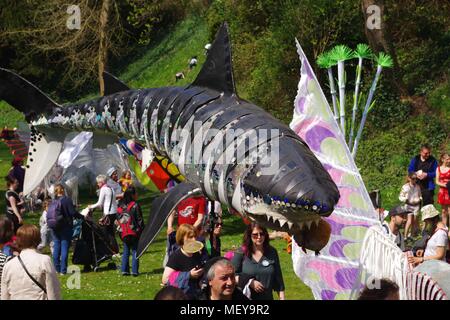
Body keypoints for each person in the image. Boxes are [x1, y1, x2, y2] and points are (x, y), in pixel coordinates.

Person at [1, 224, 61, 300]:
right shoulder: (44, 261)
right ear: (38, 239)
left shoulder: (9, 265)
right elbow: (53, 290)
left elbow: (4, 295)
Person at [231, 222, 285, 300]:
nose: (259, 237)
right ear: (249, 235)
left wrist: (282, 297)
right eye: (255, 235)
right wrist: (249, 282)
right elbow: (231, 276)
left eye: (261, 234)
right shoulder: (241, 252)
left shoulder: (272, 251)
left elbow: (278, 278)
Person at [162, 224, 207, 298]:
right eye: (190, 237)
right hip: (182, 295)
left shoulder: (197, 253)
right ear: (182, 238)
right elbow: (165, 279)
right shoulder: (176, 256)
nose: (194, 240)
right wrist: (189, 275)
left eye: (195, 236)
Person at [50, 184, 82, 275]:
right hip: (65, 226)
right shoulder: (66, 200)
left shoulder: (53, 201)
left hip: (54, 227)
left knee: (57, 246)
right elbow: (72, 212)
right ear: (63, 190)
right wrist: (81, 216)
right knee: (64, 247)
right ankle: (63, 270)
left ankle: (57, 268)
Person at [117, 186, 144, 276]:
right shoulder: (135, 205)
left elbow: (118, 219)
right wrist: (141, 231)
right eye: (136, 193)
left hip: (123, 232)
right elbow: (140, 220)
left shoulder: (120, 206)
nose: (137, 195)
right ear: (132, 195)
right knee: (135, 250)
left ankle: (124, 270)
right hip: (134, 232)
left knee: (126, 251)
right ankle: (135, 271)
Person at [88, 174, 118, 241]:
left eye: (98, 183)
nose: (98, 184)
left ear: (102, 182)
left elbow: (99, 203)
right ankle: (115, 249)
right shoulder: (111, 188)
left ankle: (111, 249)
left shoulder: (103, 189)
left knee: (105, 233)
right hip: (114, 212)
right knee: (111, 232)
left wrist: (91, 206)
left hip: (108, 213)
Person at [399, 172, 422, 239]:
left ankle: (411, 235)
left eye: (416, 179)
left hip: (416, 206)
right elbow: (400, 196)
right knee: (409, 221)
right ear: (409, 178)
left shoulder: (417, 186)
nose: (415, 180)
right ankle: (405, 236)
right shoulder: (405, 187)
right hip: (409, 205)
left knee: (414, 221)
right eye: (413, 178)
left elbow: (420, 195)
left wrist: (420, 199)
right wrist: (406, 199)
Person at [436, 153, 450, 226]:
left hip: (449, 190)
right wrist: (444, 185)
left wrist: (448, 185)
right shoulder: (438, 168)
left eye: (449, 159)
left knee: (449, 210)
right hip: (442, 191)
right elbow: (437, 181)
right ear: (442, 159)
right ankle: (444, 228)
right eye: (447, 159)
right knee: (444, 211)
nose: (449, 161)